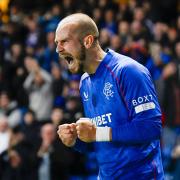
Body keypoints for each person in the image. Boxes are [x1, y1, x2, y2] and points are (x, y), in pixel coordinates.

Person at [56, 13, 164, 179]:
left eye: (64, 41)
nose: (58, 49)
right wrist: (76, 140)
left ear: (88, 41)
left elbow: (151, 127)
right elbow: (103, 142)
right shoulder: (84, 82)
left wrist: (96, 133)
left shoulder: (128, 71)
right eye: (57, 43)